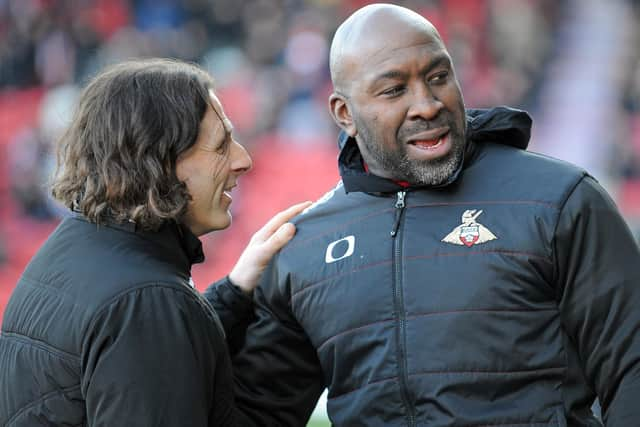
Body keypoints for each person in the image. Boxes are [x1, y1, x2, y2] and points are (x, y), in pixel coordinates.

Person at [204, 4, 640, 426]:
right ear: (343, 113)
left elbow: (631, 365)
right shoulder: (307, 247)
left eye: (438, 77)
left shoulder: (559, 200)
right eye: (394, 90)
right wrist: (211, 308)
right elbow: (257, 414)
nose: (427, 104)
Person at [0, 58, 309, 426]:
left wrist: (234, 292)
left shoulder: (73, 247)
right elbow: (144, 323)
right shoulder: (148, 300)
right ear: (159, 161)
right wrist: (303, 337)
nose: (243, 160)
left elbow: (138, 349)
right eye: (222, 145)